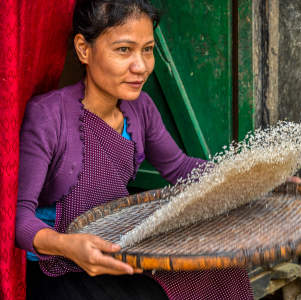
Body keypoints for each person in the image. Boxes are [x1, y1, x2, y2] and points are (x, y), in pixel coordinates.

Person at [15, 0, 255, 299]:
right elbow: (19, 218)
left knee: (223, 268)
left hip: (120, 248)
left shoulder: (140, 108)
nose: (141, 66)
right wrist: (68, 245)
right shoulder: (48, 115)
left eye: (148, 49)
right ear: (83, 49)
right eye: (124, 50)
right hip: (60, 265)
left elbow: (179, 168)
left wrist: (252, 178)